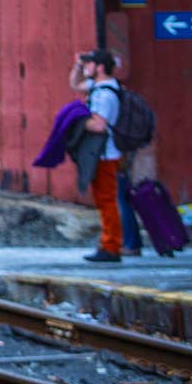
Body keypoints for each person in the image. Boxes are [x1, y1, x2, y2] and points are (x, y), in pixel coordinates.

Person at [73, 48, 127, 263]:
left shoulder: (104, 94)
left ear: (100, 67)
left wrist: (75, 121)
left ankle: (111, 246)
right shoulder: (100, 88)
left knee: (107, 202)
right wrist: (77, 66)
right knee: (107, 201)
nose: (87, 68)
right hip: (104, 154)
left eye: (90, 64)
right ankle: (110, 243)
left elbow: (99, 125)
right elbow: (74, 84)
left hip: (106, 154)